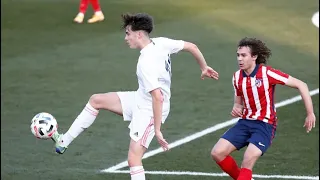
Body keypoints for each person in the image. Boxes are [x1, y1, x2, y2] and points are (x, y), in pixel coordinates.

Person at [51, 13, 219, 180]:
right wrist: (203, 67)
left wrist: (158, 129)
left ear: (138, 34)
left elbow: (158, 97)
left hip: (150, 111)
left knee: (134, 159)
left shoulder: (145, 62)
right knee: (96, 100)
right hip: (140, 99)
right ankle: (64, 141)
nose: (126, 38)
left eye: (128, 33)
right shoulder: (161, 42)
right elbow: (192, 47)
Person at [210, 37, 316, 180]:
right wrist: (236, 108)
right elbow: (238, 102)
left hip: (265, 125)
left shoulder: (267, 73)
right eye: (238, 55)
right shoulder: (236, 77)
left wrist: (310, 113)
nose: (239, 59)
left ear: (254, 57)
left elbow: (301, 84)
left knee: (247, 161)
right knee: (217, 152)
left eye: (243, 55)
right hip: (245, 123)